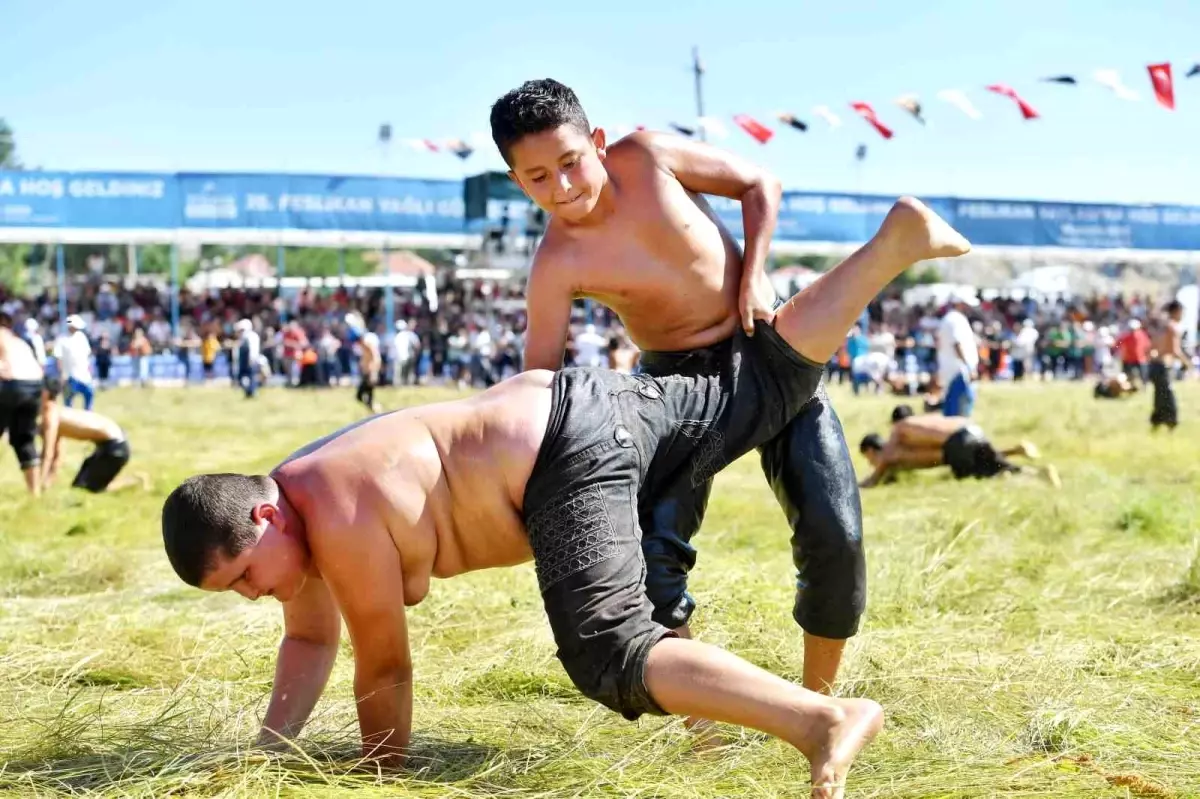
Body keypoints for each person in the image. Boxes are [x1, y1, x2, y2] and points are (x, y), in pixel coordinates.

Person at [160, 198, 969, 798]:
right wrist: (270, 756)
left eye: (241, 576)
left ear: (263, 515)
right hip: (581, 411)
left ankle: (821, 719)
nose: (250, 593)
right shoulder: (296, 507)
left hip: (564, 447)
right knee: (760, 386)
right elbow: (309, 642)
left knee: (607, 648)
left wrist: (378, 783)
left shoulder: (332, 516)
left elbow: (386, 665)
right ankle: (894, 243)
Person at [494, 78, 892, 701]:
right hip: (676, 392)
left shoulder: (649, 157)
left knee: (834, 531)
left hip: (766, 351)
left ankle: (820, 706)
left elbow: (760, 183)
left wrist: (754, 275)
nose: (563, 188)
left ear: (597, 143)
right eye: (539, 177)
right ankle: (701, 720)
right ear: (519, 183)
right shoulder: (556, 262)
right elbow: (539, 380)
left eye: (570, 163)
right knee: (653, 552)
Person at [857, 405, 1059, 489]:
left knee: (986, 473)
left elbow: (886, 459)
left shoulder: (900, 429)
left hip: (957, 443)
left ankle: (1035, 474)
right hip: (970, 429)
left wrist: (863, 485)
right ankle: (1036, 472)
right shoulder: (930, 419)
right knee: (994, 466)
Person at [39, 379, 145, 492]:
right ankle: (129, 480)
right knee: (79, 486)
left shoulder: (51, 417)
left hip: (115, 448)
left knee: (89, 488)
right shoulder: (57, 413)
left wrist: (37, 484)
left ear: (45, 394)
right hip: (110, 444)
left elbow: (48, 454)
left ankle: (135, 480)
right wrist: (46, 483)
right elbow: (57, 455)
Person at [0, 310, 45, 495]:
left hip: (12, 384)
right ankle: (34, 493)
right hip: (34, 386)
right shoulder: (18, 340)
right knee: (24, 440)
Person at [936, 293, 978, 416]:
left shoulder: (950, 319)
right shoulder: (956, 320)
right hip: (959, 369)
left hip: (953, 367)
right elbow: (957, 344)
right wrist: (968, 367)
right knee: (960, 406)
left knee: (953, 403)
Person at [1148, 300, 1186, 431]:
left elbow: (1152, 345)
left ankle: (1156, 422)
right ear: (1176, 312)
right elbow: (1175, 350)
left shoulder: (1162, 326)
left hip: (1154, 364)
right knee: (1168, 397)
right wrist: (1187, 363)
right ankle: (1171, 424)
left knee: (1159, 396)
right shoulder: (1173, 327)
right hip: (1163, 364)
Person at [56, 314, 95, 409]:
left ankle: (88, 415)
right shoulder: (62, 339)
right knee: (68, 401)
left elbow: (87, 355)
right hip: (69, 376)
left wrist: (89, 370)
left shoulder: (81, 337)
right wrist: (62, 374)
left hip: (84, 374)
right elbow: (59, 358)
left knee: (89, 394)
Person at [356, 329, 383, 414]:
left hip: (371, 371)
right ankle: (373, 408)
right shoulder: (364, 346)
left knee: (364, 394)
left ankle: (374, 408)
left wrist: (374, 371)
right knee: (365, 394)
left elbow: (376, 357)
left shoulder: (369, 345)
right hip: (367, 371)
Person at [235, 319, 261, 399]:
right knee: (244, 376)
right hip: (245, 359)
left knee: (251, 376)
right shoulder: (244, 337)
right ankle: (248, 392)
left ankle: (252, 392)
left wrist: (251, 359)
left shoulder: (250, 336)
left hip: (249, 359)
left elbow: (253, 349)